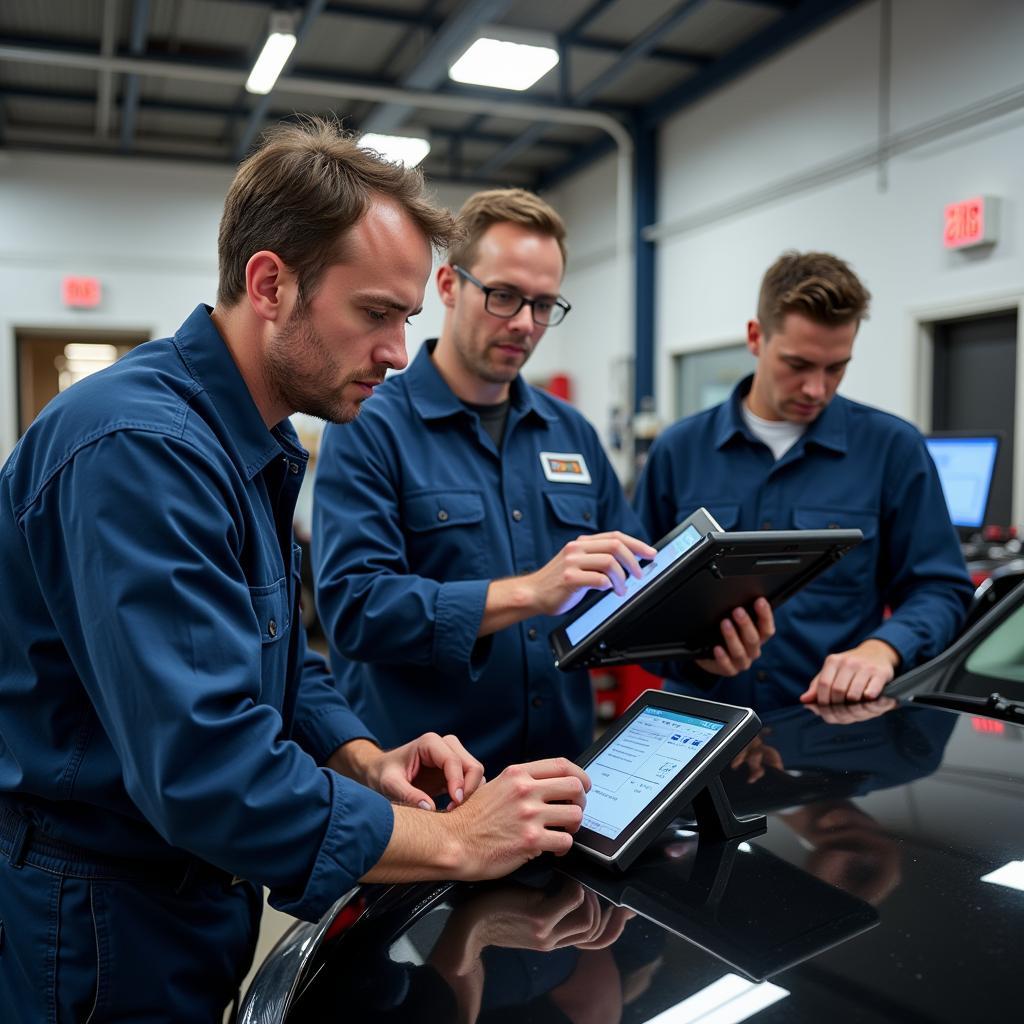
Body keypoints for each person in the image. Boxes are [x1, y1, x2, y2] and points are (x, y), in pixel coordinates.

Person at [0, 119, 591, 1024]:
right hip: (94, 918)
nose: (398, 353)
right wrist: (451, 839)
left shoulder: (254, 436)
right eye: (376, 314)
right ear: (271, 283)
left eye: (406, 319)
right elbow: (209, 770)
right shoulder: (140, 450)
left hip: (186, 896)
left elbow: (273, 654)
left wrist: (359, 755)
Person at [312, 189, 772, 775]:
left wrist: (705, 646)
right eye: (504, 297)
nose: (526, 324)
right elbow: (356, 610)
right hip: (429, 792)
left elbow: (631, 597)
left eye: (544, 303)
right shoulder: (371, 422)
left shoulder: (572, 435)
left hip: (564, 778)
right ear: (449, 286)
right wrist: (530, 592)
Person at [634, 250, 973, 709]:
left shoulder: (893, 448)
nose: (816, 388)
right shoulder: (678, 449)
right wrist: (694, 660)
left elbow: (941, 589)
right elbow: (636, 603)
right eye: (797, 365)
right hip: (700, 726)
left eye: (836, 367)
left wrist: (883, 649)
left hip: (831, 735)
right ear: (756, 338)